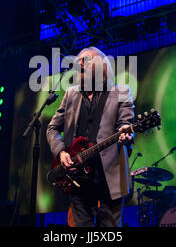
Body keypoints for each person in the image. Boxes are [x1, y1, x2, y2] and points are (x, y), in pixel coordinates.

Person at [46, 47, 135, 227]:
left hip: (109, 177)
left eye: (85, 61)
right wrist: (61, 153)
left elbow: (125, 125)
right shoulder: (71, 94)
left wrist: (126, 133)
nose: (79, 64)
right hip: (78, 179)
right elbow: (52, 127)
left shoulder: (121, 92)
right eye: (78, 61)